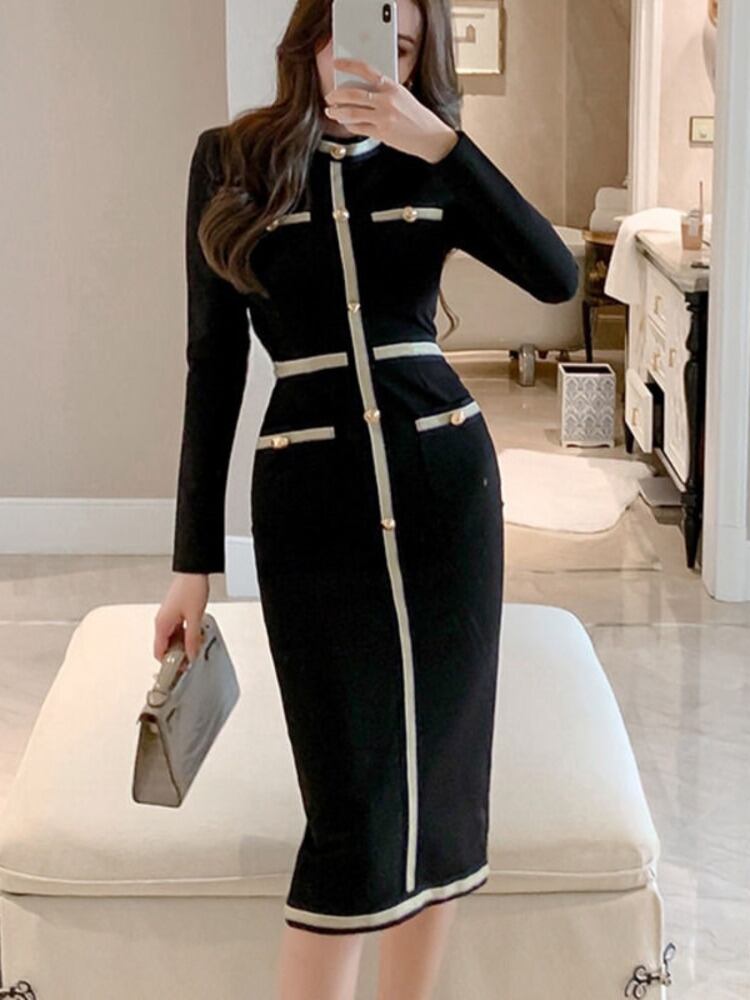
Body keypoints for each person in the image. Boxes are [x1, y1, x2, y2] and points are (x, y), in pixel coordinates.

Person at [154, 1, 579, 997]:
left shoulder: (433, 159)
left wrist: (444, 145)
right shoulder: (230, 160)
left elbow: (558, 276)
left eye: (401, 49)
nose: (370, 66)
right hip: (309, 502)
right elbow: (213, 367)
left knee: (445, 786)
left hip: (447, 492)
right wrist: (190, 567)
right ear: (311, 38)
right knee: (347, 803)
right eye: (350, 39)